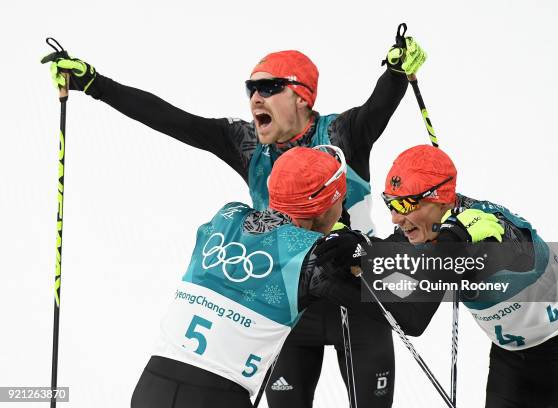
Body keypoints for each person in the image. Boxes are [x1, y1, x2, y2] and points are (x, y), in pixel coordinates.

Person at [42, 29, 427, 407]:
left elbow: (381, 103)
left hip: (355, 286)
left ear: (302, 97)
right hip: (291, 298)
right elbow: (174, 120)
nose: (256, 97)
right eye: (251, 89)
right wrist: (94, 83)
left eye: (270, 87)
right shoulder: (246, 145)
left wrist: (396, 70)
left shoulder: (343, 133)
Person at [130, 146, 441, 408]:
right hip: (216, 398)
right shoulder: (313, 262)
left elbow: (277, 232)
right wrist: (364, 253)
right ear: (328, 206)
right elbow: (410, 317)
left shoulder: (228, 215)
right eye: (340, 199)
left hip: (151, 385)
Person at [314, 145, 558, 408]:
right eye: (390, 203)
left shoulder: (476, 227)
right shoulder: (428, 229)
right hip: (511, 363)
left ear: (439, 199)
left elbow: (413, 313)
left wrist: (342, 277)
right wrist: (356, 247)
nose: (395, 217)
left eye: (405, 205)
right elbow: (396, 262)